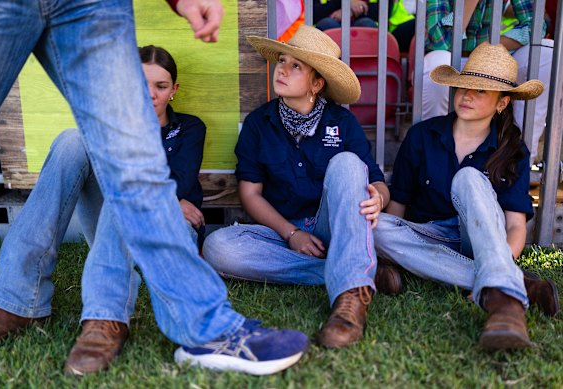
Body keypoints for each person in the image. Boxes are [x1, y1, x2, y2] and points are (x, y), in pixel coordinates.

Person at [0, 0, 308, 376]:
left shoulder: (189, 127)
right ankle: (13, 298)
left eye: (160, 85)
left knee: (126, 161)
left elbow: (175, 185)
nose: (150, 93)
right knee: (74, 140)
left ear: (173, 89)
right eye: (143, 84)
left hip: (88, 6)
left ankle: (111, 317)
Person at [203, 25, 402, 349]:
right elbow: (250, 193)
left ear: (317, 83)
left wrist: (378, 198)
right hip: (282, 235)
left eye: (296, 65)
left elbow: (377, 180)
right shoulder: (259, 123)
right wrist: (291, 234)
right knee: (218, 248)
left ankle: (350, 298)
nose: (282, 69)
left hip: (333, 226)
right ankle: (361, 272)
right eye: (282, 60)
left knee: (350, 163)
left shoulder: (343, 123)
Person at [374, 42, 559, 349]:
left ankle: (503, 298)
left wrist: (500, 258)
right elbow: (397, 206)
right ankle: (516, 285)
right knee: (375, 227)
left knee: (470, 178)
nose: (467, 95)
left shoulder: (513, 151)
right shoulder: (422, 136)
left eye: (481, 91)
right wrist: (388, 247)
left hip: (480, 241)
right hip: (426, 236)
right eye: (463, 87)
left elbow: (514, 226)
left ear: (502, 102)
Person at [421, 0, 554, 164]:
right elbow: (442, 42)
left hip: (491, 59)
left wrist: (488, 49)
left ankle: (517, 160)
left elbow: (536, 27)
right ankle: (433, 157)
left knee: (547, 52)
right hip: (454, 57)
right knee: (437, 62)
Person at [313, 0, 380, 31]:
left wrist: (350, 10)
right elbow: (314, 13)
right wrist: (345, 2)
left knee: (367, 24)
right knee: (327, 24)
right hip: (331, 20)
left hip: (365, 20)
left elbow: (384, 10)